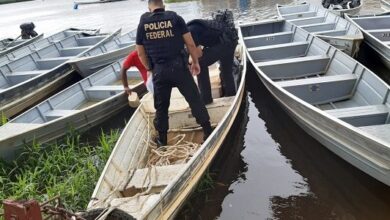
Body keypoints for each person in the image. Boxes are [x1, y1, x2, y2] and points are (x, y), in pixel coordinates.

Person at [136, 0, 212, 146]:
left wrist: (150, 69)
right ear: (163, 6)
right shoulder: (176, 18)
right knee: (194, 99)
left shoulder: (143, 24)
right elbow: (190, 43)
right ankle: (207, 131)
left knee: (161, 107)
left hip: (159, 71)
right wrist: (195, 62)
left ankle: (162, 141)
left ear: (149, 8)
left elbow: (140, 53)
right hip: (179, 68)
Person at [187, 10, 239, 104]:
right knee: (226, 70)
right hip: (230, 38)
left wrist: (192, 62)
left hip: (226, 41)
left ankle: (205, 99)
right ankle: (231, 95)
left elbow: (199, 54)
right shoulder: (189, 29)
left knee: (200, 63)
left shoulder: (190, 32)